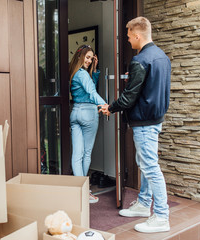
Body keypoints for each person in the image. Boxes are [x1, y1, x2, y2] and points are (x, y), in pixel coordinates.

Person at [99, 16, 171, 233]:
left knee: (150, 168)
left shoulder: (140, 60)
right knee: (147, 165)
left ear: (138, 35)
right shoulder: (162, 57)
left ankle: (161, 216)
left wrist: (110, 108)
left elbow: (130, 96)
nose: (129, 41)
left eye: (129, 37)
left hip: (144, 122)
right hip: (155, 120)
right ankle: (142, 204)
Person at [69, 45, 106, 204]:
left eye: (91, 58)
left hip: (75, 112)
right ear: (80, 56)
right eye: (87, 57)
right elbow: (92, 92)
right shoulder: (83, 74)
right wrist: (105, 105)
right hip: (89, 113)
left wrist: (95, 70)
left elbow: (88, 87)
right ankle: (85, 191)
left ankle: (79, 190)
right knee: (86, 153)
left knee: (77, 154)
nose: (89, 61)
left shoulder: (75, 73)